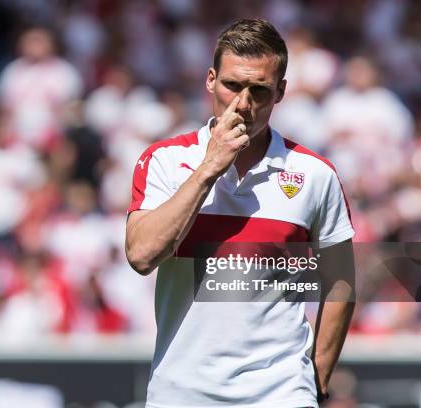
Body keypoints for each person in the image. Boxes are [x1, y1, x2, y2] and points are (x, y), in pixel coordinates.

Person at [126, 19, 355, 407]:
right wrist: (208, 170)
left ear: (280, 91)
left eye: (259, 91)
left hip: (280, 394)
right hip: (182, 393)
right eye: (232, 85)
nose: (244, 104)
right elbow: (142, 255)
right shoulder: (165, 161)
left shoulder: (316, 174)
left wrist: (314, 379)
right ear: (211, 80)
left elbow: (340, 282)